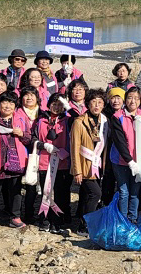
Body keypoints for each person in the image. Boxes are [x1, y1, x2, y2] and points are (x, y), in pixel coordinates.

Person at [0, 91, 30, 233]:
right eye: (4, 102)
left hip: (16, 160)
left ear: (15, 106)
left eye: (11, 103)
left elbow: (28, 139)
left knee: (15, 190)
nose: (8, 106)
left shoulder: (20, 120)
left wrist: (22, 134)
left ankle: (15, 216)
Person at [70, 89, 110, 236]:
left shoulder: (104, 121)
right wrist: (77, 170)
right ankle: (85, 225)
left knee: (87, 195)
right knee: (95, 194)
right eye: (93, 102)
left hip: (97, 165)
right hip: (84, 165)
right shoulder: (79, 122)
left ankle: (82, 221)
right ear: (87, 104)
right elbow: (74, 147)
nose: (97, 105)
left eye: (100, 102)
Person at [32, 93, 73, 233]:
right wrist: (43, 145)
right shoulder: (40, 121)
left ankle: (58, 221)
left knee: (61, 193)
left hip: (62, 162)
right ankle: (45, 219)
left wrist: (68, 106)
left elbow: (78, 120)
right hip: (45, 162)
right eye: (54, 104)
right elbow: (33, 139)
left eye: (60, 105)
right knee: (46, 192)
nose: (56, 107)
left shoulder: (68, 120)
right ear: (48, 104)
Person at [106, 87, 141, 222]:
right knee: (124, 192)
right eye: (130, 97)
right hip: (120, 160)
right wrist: (129, 161)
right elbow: (120, 142)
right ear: (125, 99)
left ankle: (132, 219)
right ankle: (122, 220)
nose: (133, 101)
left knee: (135, 192)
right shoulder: (117, 117)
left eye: (136, 98)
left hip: (139, 160)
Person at [17, 86, 44, 224]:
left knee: (41, 183)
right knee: (29, 184)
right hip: (23, 150)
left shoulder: (43, 112)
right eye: (26, 95)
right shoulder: (17, 113)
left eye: (32, 95)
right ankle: (27, 213)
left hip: (42, 152)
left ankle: (42, 212)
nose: (29, 98)